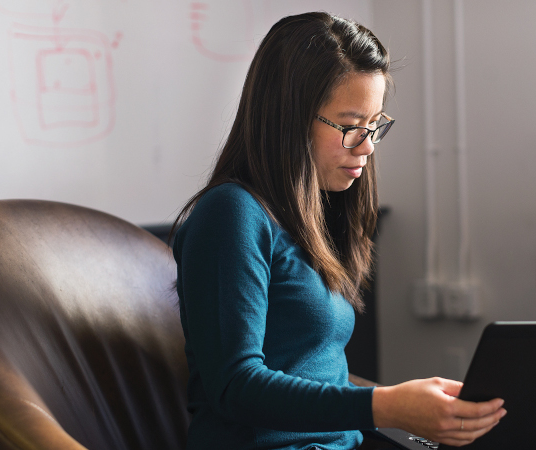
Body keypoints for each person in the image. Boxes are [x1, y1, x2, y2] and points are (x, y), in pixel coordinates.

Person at [171, 12, 506, 450]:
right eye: (350, 127)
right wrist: (385, 406)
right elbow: (236, 385)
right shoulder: (230, 215)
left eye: (373, 126)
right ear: (288, 119)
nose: (366, 146)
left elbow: (313, 373)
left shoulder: (314, 215)